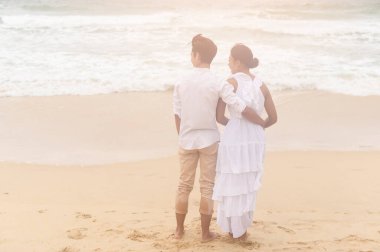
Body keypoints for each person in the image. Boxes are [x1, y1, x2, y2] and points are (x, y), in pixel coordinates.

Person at [172, 35, 265, 242]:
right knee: (207, 187)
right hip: (210, 140)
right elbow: (238, 105)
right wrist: (260, 121)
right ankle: (205, 234)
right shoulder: (218, 82)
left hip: (186, 139)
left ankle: (179, 231)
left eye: (191, 54)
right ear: (210, 58)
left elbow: (177, 114)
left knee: (183, 185)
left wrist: (183, 136)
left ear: (196, 56)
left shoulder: (180, 81)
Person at [212, 43, 277, 240]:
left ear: (238, 61)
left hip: (235, 136)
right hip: (256, 138)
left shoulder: (229, 83)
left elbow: (219, 116)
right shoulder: (261, 84)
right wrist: (259, 126)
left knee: (233, 180)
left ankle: (235, 230)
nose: (228, 62)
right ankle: (241, 229)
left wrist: (235, 125)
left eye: (230, 59)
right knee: (248, 183)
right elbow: (273, 118)